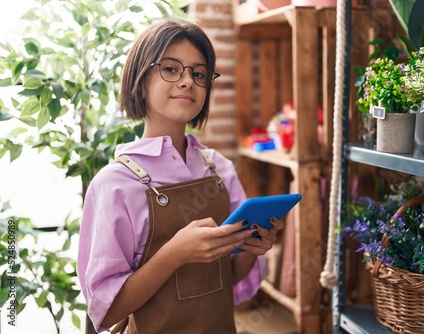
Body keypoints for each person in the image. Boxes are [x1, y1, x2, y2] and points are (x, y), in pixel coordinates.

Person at [77, 18, 284, 334]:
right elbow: (106, 312)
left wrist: (253, 247)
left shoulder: (220, 169)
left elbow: (227, 276)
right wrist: (174, 255)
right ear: (141, 78)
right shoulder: (115, 184)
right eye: (171, 69)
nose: (188, 81)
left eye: (198, 73)